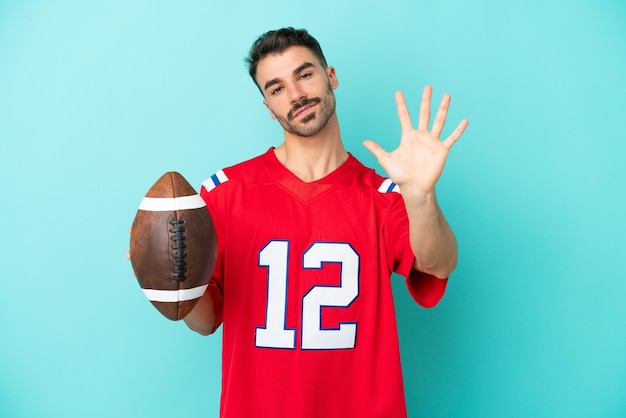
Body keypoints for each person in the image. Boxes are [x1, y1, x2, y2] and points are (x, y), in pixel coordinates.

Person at [148, 27, 467, 417]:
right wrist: (172, 284)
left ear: (330, 76)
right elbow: (207, 320)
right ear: (268, 106)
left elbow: (439, 262)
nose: (296, 95)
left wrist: (420, 194)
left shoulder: (382, 196)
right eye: (277, 88)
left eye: (304, 74)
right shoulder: (225, 192)